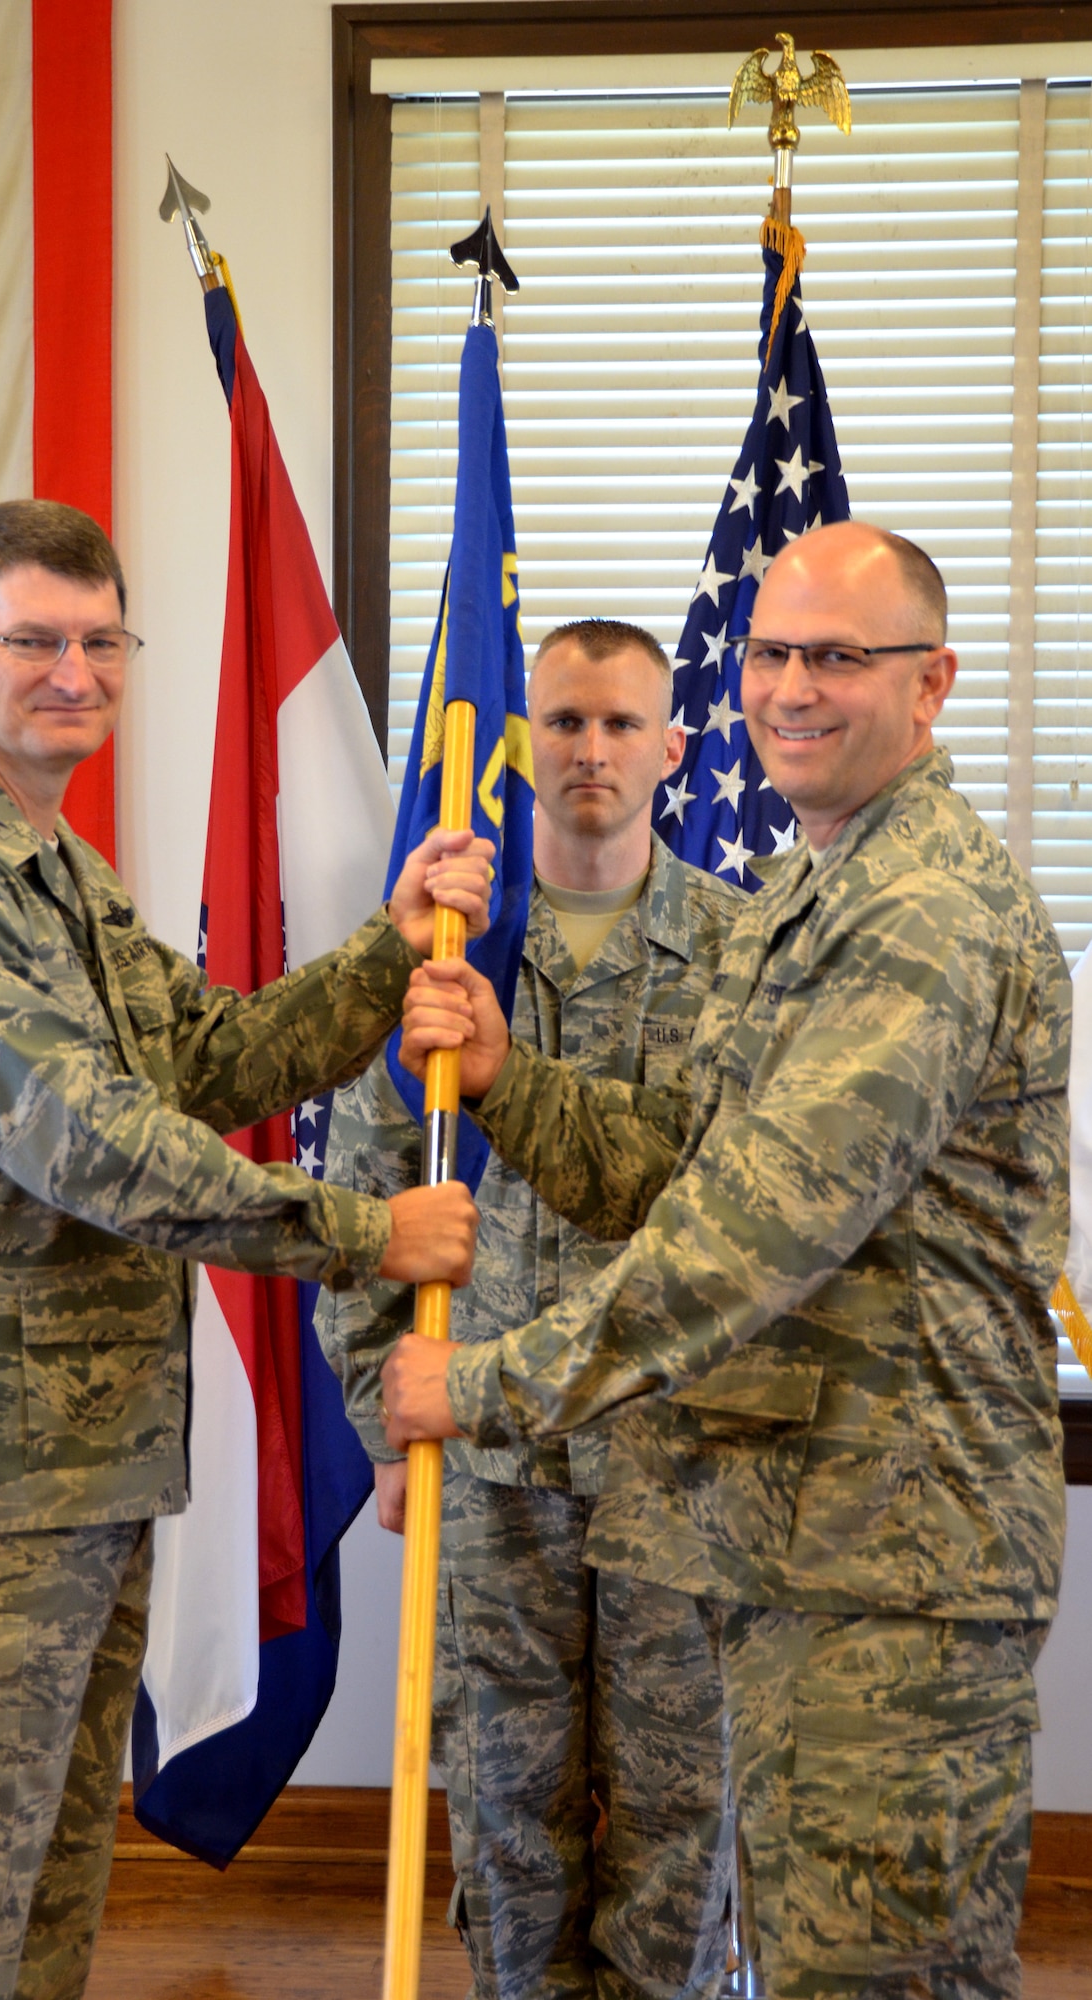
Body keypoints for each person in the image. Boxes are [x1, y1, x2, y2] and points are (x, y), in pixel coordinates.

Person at [0, 499, 487, 2000]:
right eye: (34, 640)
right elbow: (84, 1137)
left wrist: (386, 941)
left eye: (102, 640)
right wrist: (362, 1231)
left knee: (31, 1940)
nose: (75, 672)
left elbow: (213, 1056)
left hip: (67, 1489)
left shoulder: (54, 872)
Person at [384, 521, 1071, 2000]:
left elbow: (755, 1228)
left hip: (891, 1561)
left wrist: (485, 1386)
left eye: (838, 655)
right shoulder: (824, 893)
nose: (790, 687)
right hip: (798, 1541)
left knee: (875, 1974)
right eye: (768, 651)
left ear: (930, 682)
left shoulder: (920, 913)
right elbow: (681, 1159)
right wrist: (513, 1083)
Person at [318, 619, 741, 2000]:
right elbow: (358, 1209)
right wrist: (380, 1422)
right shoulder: (442, 953)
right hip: (488, 1463)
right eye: (561, 722)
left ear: (673, 748)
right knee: (505, 1801)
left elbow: (746, 1208)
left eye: (622, 725)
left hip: (682, 1455)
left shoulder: (743, 959)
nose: (591, 752)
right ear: (519, 745)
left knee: (682, 1805)